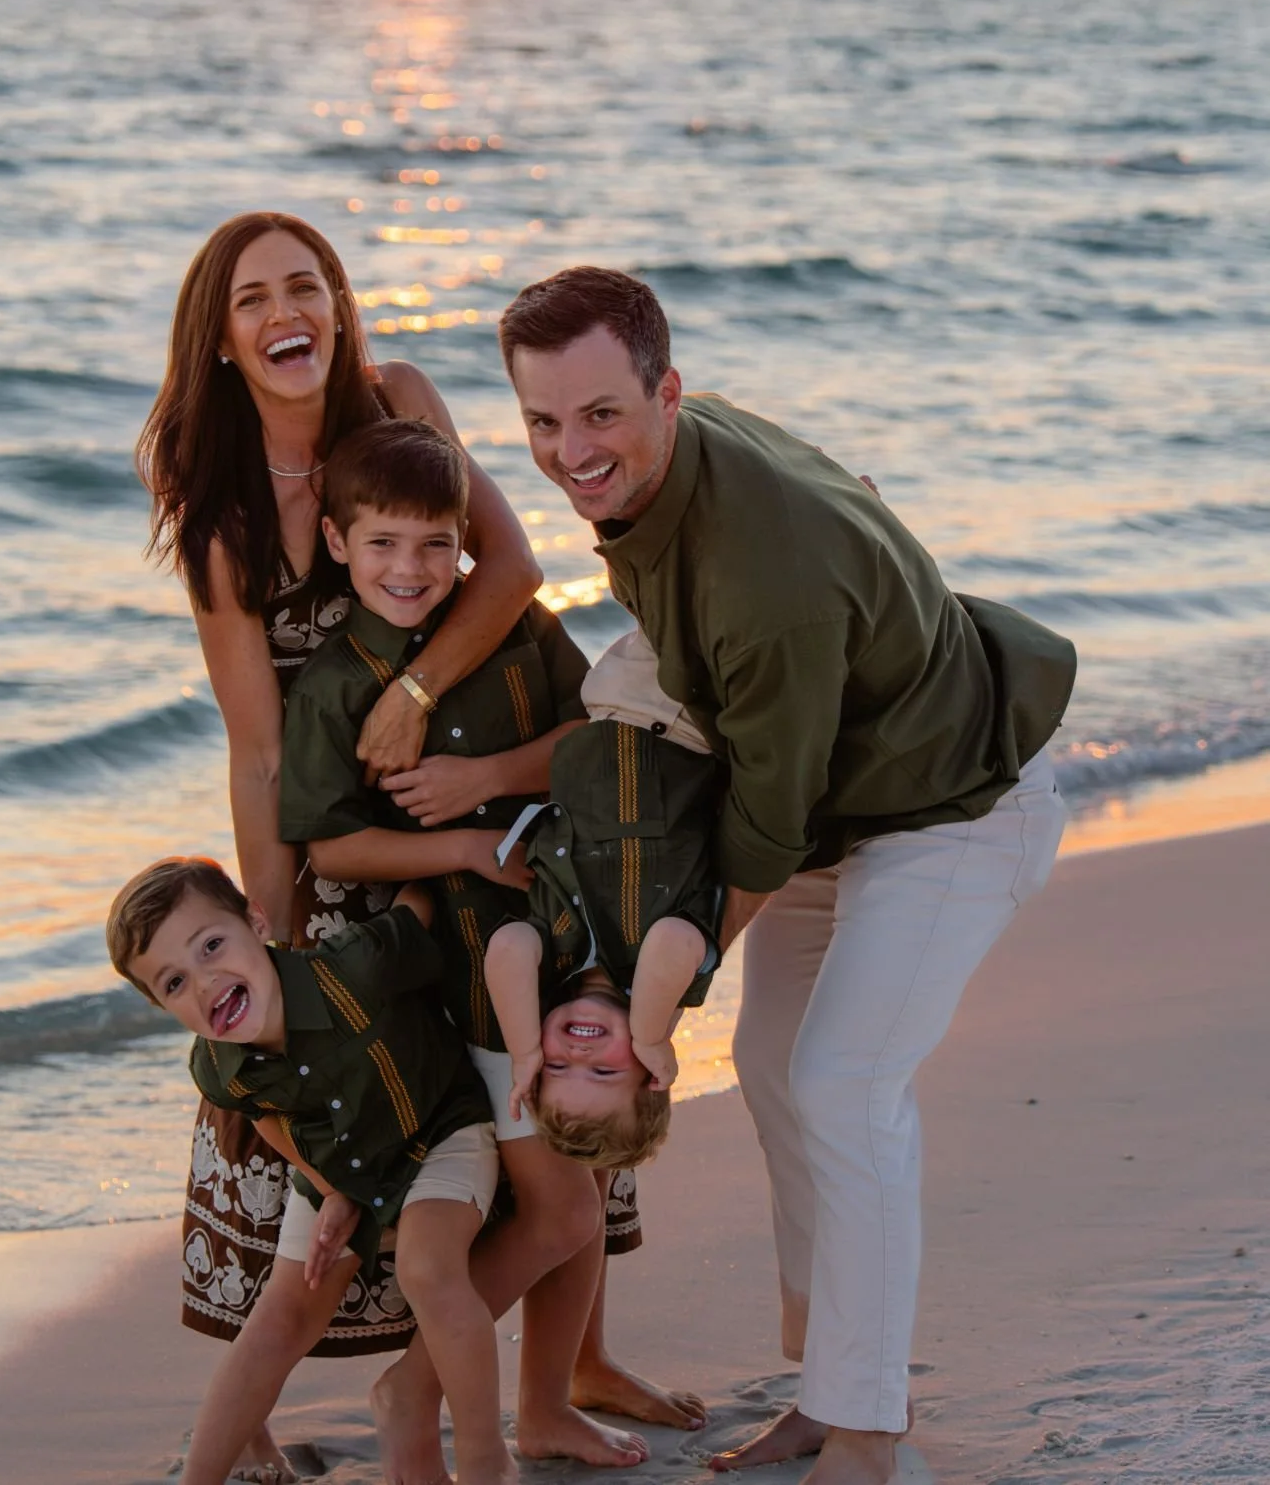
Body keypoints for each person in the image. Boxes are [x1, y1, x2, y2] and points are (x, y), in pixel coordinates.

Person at [498, 266, 1076, 1485]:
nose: (570, 452)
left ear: (669, 391)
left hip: (954, 805)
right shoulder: (669, 466)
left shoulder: (763, 584)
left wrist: (659, 1004)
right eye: (542, 422)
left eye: (600, 414)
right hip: (843, 795)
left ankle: (873, 1438)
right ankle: (829, 1385)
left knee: (844, 1083)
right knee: (776, 1068)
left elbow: (764, 825)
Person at [277, 416, 651, 1468]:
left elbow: (598, 737)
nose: (413, 568)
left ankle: (541, 1406)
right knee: (563, 1209)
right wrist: (468, 848)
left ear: (463, 544)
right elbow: (330, 845)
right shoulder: (335, 686)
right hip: (468, 989)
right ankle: (414, 1388)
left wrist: (485, 781)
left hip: (575, 942)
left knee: (579, 1191)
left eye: (437, 543)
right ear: (341, 543)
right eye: (386, 544)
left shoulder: (515, 626)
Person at [105, 858, 509, 1485]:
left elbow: (417, 904)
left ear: (256, 921)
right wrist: (330, 1191)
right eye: (174, 983)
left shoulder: (354, 967)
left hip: (438, 1129)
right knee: (283, 1314)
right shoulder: (217, 1067)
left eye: (212, 945)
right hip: (336, 1162)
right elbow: (266, 1115)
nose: (206, 982)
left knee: (427, 1267)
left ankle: (486, 1464)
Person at [484, 627, 759, 1170]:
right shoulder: (666, 983)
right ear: (653, 1073)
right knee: (716, 596)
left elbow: (506, 947)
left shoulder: (551, 961)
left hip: (612, 699)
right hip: (684, 725)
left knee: (669, 587)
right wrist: (651, 1033)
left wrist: (523, 1051)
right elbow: (671, 938)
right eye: (604, 1072)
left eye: (556, 1069)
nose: (577, 1056)